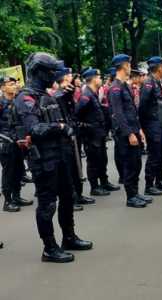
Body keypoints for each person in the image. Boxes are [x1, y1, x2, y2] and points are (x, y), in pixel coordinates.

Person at [14, 52, 92, 263]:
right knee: (48, 204)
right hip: (43, 160)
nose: (54, 75)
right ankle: (49, 247)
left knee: (68, 198)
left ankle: (69, 237)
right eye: (50, 71)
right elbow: (35, 129)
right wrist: (59, 127)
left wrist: (67, 98)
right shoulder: (26, 97)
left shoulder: (48, 95)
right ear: (39, 72)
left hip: (61, 156)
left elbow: (70, 116)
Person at [109, 54, 152, 208]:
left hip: (134, 129)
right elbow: (118, 114)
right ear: (123, 66)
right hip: (125, 133)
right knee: (129, 165)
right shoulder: (115, 87)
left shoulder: (124, 85)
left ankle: (136, 193)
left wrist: (139, 129)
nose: (130, 67)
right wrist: (129, 133)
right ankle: (130, 197)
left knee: (136, 164)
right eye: (128, 64)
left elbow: (131, 111)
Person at [55, 67, 95, 210]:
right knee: (70, 168)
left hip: (74, 134)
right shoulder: (59, 95)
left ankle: (78, 195)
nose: (73, 78)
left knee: (77, 167)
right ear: (64, 78)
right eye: (70, 76)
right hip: (65, 137)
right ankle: (71, 199)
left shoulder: (67, 93)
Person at [76, 68, 120, 196]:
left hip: (99, 133)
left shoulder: (92, 93)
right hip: (91, 134)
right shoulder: (86, 95)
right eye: (99, 77)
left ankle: (104, 182)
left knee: (102, 159)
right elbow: (77, 114)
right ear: (94, 79)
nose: (100, 79)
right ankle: (94, 187)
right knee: (93, 161)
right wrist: (85, 126)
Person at [139, 56, 162, 196]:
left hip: (161, 123)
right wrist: (145, 126)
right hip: (152, 124)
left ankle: (159, 181)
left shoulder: (158, 82)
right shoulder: (148, 83)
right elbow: (142, 107)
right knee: (154, 155)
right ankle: (149, 185)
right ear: (159, 67)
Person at [0, 77, 33, 212]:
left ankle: (17, 196)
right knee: (9, 173)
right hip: (6, 142)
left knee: (19, 170)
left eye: (15, 84)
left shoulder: (16, 101)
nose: (14, 86)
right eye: (11, 84)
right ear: (2, 88)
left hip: (18, 142)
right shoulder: (1, 103)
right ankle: (7, 201)